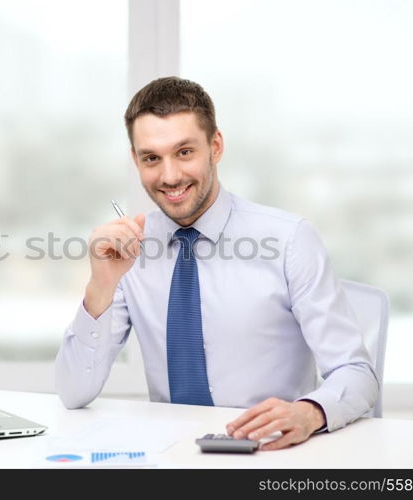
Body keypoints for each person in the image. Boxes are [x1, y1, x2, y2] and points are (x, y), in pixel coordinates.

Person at [55, 76, 378, 451]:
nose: (170, 175)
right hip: (172, 455)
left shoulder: (290, 240)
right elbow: (73, 392)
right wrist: (101, 286)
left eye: (185, 152)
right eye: (151, 158)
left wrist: (308, 413)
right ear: (135, 160)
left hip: (271, 455)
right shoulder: (130, 249)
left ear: (216, 146)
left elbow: (357, 374)